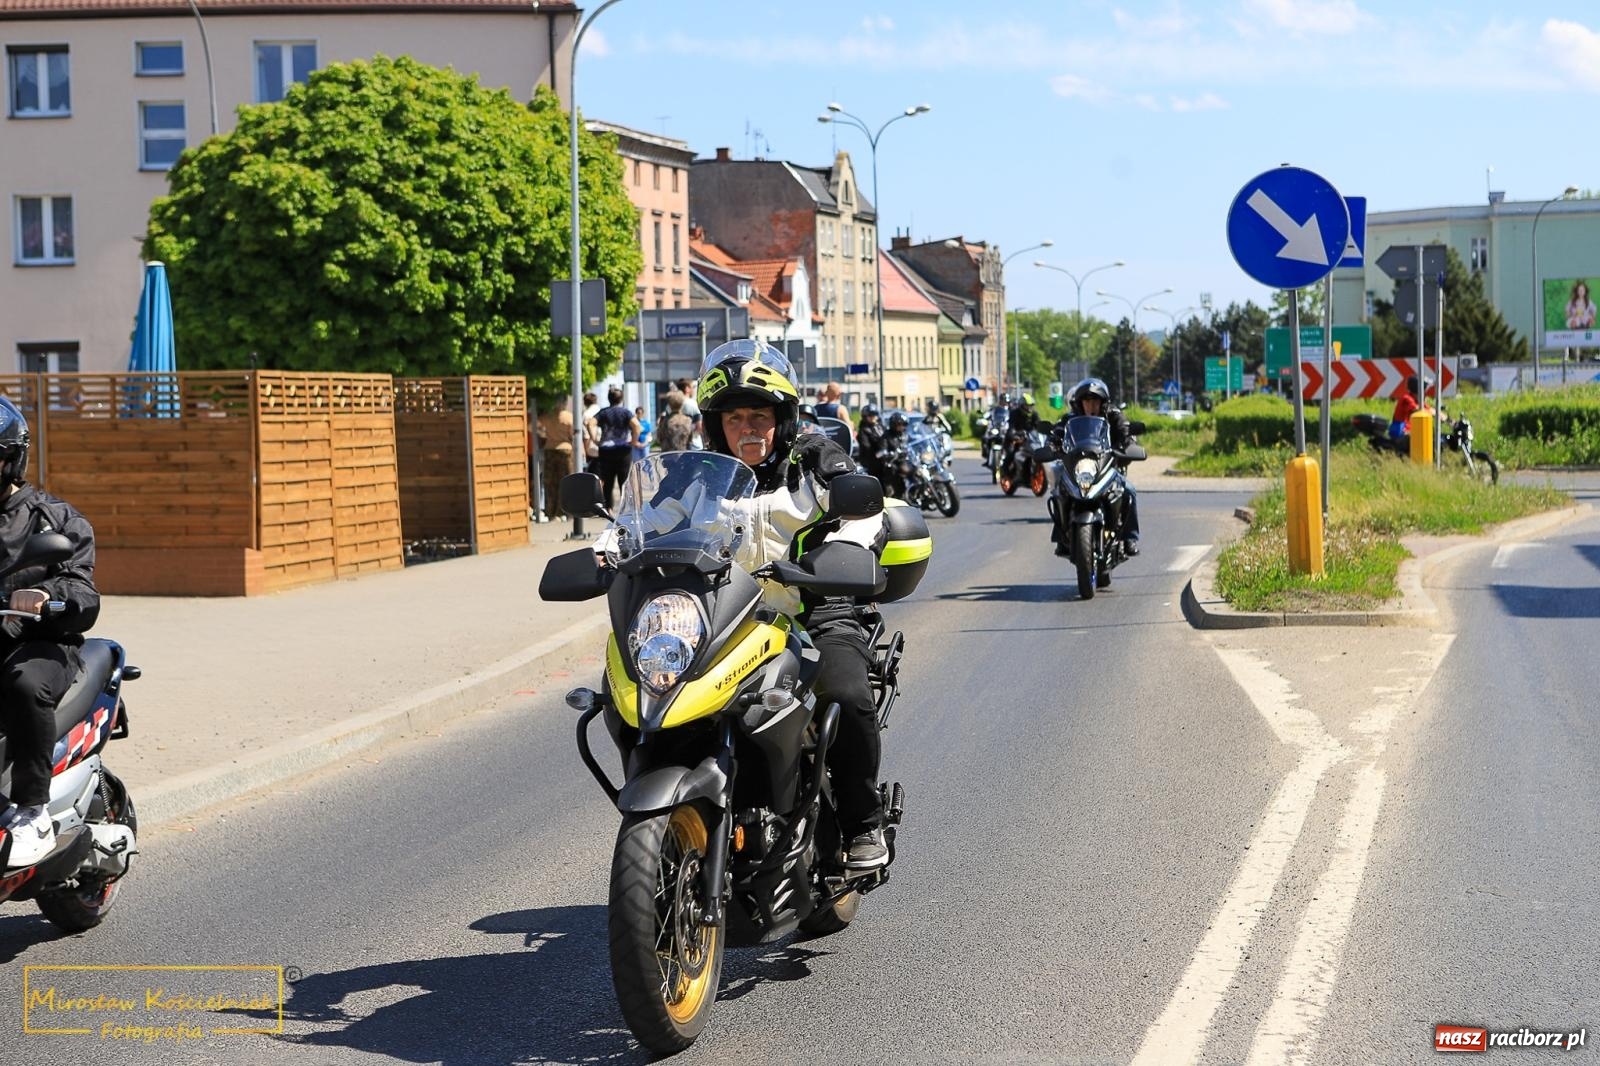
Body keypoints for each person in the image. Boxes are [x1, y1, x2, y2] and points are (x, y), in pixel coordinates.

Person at [601, 340, 892, 869]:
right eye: (734, 418)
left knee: (846, 694)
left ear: (782, 418)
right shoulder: (695, 475)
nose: (748, 428)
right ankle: (672, 812)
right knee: (628, 689)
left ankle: (861, 824)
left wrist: (843, 554)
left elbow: (865, 511)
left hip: (810, 610)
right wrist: (609, 547)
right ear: (716, 426)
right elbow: (644, 523)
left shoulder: (814, 459)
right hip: (722, 616)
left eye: (759, 415)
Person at [0, 396, 99, 868]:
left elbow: (83, 590)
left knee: (24, 684)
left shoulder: (53, 517)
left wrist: (45, 595)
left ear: (10, 459)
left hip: (42, 643)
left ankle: (31, 811)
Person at [1056, 378, 1141, 556]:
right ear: (1080, 403)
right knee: (1059, 492)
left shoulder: (1114, 415)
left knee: (1129, 491)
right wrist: (1051, 446)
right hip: (1079, 469)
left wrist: (1128, 445)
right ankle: (1061, 537)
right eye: (1087, 401)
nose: (1091, 406)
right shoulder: (1070, 419)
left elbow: (1125, 433)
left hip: (1107, 467)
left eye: (1095, 401)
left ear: (1103, 403)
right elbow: (1056, 434)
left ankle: (1130, 538)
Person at [588, 387, 639, 511]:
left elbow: (590, 423)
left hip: (606, 450)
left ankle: (609, 508)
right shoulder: (626, 412)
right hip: (623, 450)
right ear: (621, 399)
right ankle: (626, 508)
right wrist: (633, 441)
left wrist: (594, 439)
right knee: (624, 480)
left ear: (609, 399)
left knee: (608, 481)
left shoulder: (604, 412)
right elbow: (636, 426)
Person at [534, 405, 574, 520]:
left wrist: (544, 435)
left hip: (550, 449)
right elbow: (573, 434)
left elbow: (534, 426)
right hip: (565, 449)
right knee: (566, 481)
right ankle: (564, 511)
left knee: (550, 482)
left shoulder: (547, 416)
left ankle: (550, 511)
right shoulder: (569, 417)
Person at [856, 404, 887, 484]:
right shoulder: (863, 430)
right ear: (865, 417)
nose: (873, 417)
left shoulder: (881, 427)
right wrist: (879, 448)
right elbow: (866, 446)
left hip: (884, 458)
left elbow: (889, 438)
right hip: (871, 461)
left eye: (875, 414)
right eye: (870, 415)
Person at [1389, 375, 1423, 441]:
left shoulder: (1415, 398)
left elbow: (1427, 407)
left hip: (1408, 430)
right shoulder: (1406, 398)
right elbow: (1417, 409)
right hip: (1402, 431)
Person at [674, 377, 703, 449]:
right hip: (693, 445)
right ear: (687, 388)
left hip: (675, 445)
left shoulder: (670, 405)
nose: (693, 390)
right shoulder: (693, 404)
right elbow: (699, 427)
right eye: (692, 387)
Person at [580, 392, 601, 473]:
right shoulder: (602, 411)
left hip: (591, 449)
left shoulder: (586, 414)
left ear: (585, 402)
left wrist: (585, 451)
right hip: (604, 447)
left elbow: (586, 436)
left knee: (592, 475)